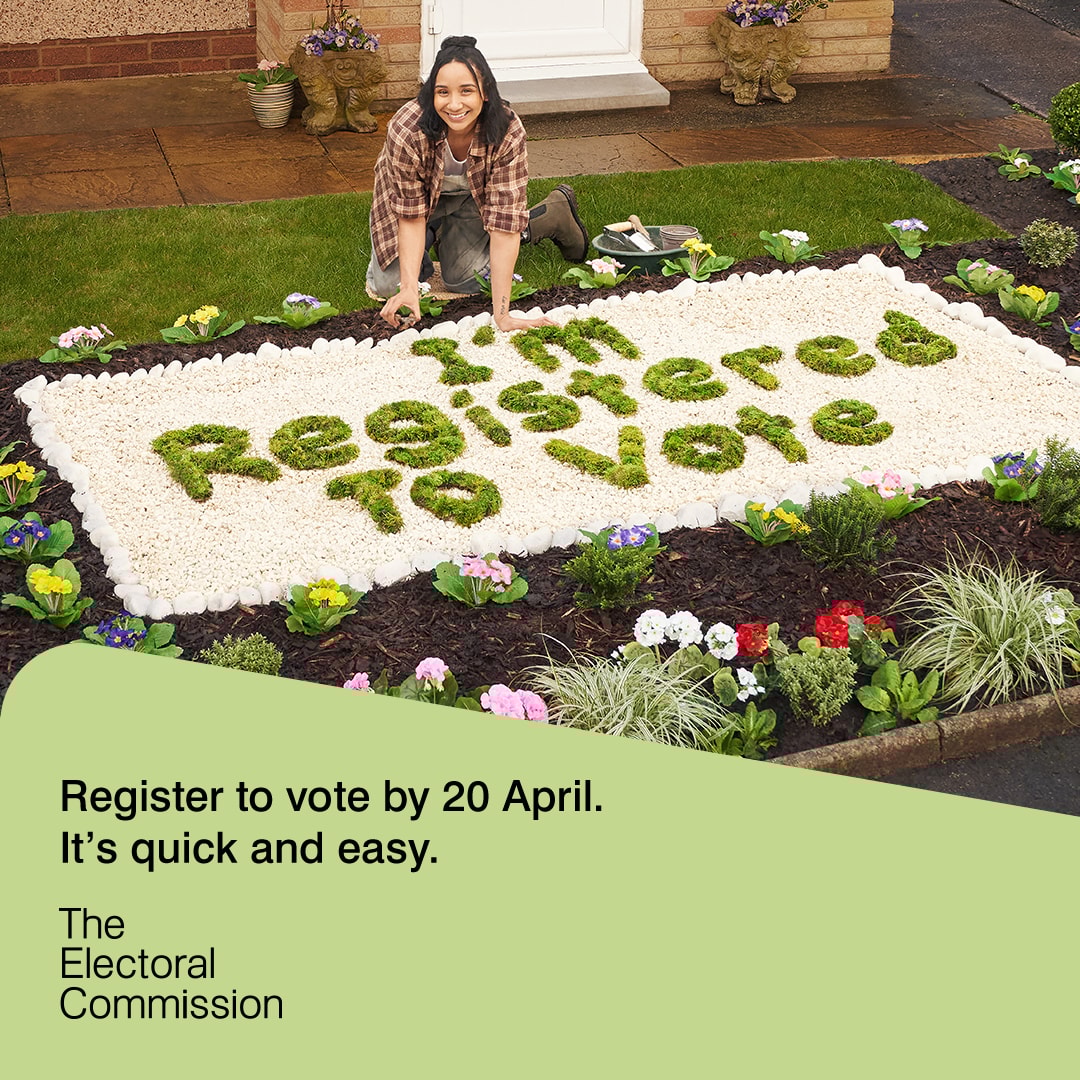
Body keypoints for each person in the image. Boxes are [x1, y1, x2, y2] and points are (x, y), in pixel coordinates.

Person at [365, 35, 589, 332]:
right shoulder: (408, 128)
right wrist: (408, 287)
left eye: (466, 91)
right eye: (442, 92)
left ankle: (550, 216)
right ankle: (432, 239)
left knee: (467, 280)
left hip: (471, 199)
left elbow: (505, 224)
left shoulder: (506, 130)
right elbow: (410, 214)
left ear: (485, 93)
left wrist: (503, 315)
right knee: (388, 286)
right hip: (412, 205)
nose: (454, 104)